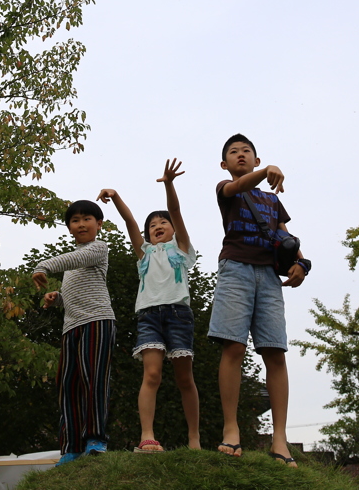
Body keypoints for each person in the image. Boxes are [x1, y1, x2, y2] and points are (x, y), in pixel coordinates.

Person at [207, 134, 311, 467]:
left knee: (274, 351)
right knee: (233, 347)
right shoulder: (226, 188)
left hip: (268, 276)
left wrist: (302, 265)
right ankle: (231, 428)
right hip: (236, 269)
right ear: (225, 164)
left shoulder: (272, 201)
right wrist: (266, 170)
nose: (240, 155)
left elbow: (285, 238)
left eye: (246, 152)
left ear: (255, 157)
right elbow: (235, 189)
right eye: (233, 153)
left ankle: (280, 440)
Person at [98, 158, 201, 454]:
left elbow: (176, 212)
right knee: (151, 375)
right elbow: (130, 222)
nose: (158, 226)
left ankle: (194, 438)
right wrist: (116, 197)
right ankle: (147, 437)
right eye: (152, 225)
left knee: (184, 378)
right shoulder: (144, 254)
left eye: (162, 223)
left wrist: (169, 184)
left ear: (172, 229)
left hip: (179, 314)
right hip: (149, 316)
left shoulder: (180, 249)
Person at [32, 200, 116, 465]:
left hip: (98, 321)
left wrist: (43, 265)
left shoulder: (98, 248)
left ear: (99, 224)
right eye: (75, 220)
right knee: (68, 385)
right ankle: (71, 447)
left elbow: (76, 257)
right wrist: (56, 298)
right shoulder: (72, 265)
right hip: (71, 327)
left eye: (87, 219)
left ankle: (95, 439)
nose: (81, 224)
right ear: (69, 228)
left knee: (94, 380)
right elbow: (71, 295)